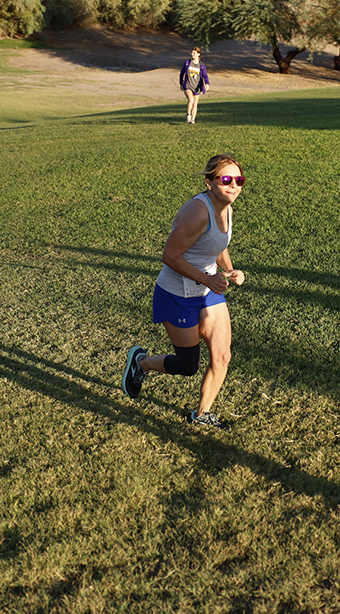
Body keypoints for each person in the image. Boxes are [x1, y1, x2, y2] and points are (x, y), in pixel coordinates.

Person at [123, 154, 246, 430]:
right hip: (177, 291)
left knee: (222, 355)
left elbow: (217, 245)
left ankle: (202, 414)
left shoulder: (226, 207)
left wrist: (228, 271)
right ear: (209, 182)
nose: (233, 185)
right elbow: (170, 255)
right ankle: (141, 362)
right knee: (188, 365)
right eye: (225, 179)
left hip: (208, 288)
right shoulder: (197, 212)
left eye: (239, 180)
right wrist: (208, 278)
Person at [179, 47, 209, 124]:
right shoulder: (187, 62)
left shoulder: (201, 65)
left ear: (198, 54)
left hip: (197, 87)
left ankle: (193, 120)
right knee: (191, 100)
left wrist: (207, 83)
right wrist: (181, 83)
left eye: (194, 53)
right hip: (188, 85)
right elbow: (182, 73)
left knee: (195, 105)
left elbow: (205, 75)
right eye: (192, 53)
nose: (192, 54)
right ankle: (188, 115)